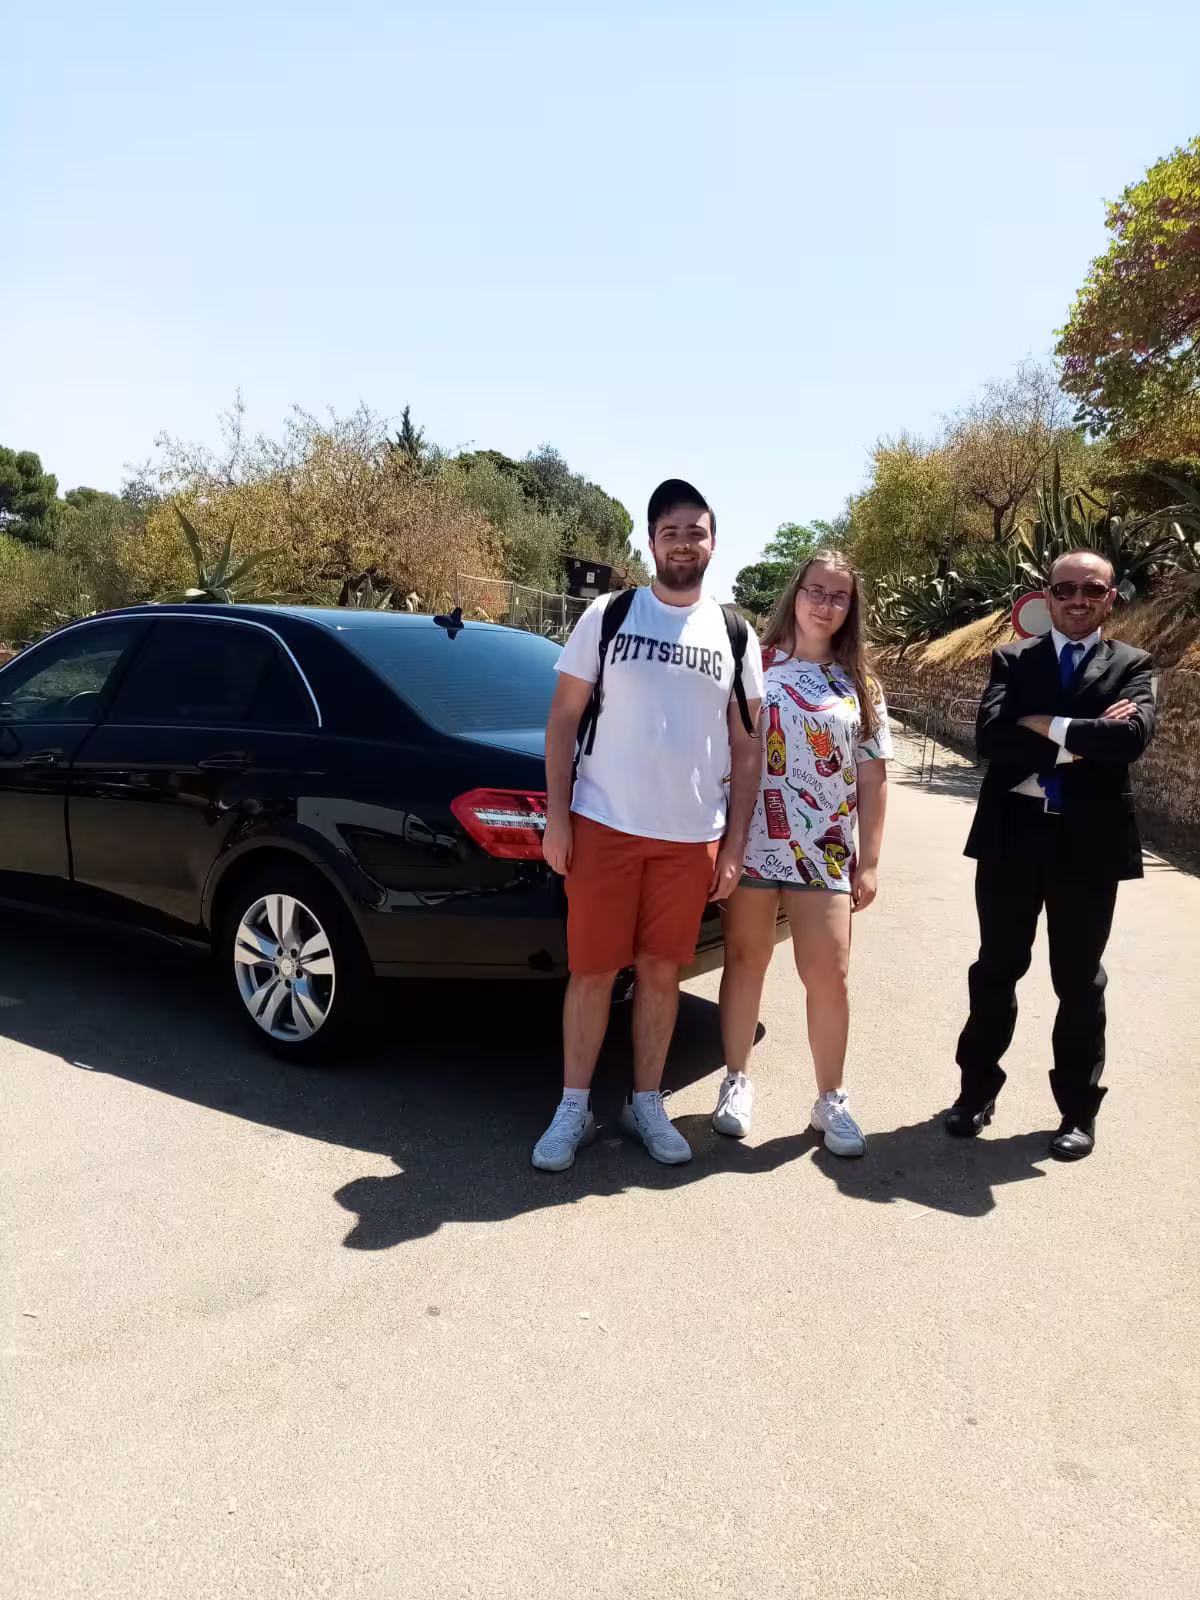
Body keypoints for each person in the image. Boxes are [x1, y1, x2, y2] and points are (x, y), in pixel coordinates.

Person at [532, 479, 764, 1171]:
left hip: (690, 838)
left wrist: (735, 842)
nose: (684, 543)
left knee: (664, 973)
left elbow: (748, 747)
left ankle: (646, 1101)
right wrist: (558, 820)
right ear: (653, 541)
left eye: (696, 531)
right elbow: (563, 719)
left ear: (713, 542)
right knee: (593, 972)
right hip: (603, 824)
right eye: (671, 531)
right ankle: (573, 1104)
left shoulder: (734, 633)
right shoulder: (608, 615)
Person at [949, 550, 1156, 1159]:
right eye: (1065, 589)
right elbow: (991, 738)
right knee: (996, 969)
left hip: (1089, 846)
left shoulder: (1134, 663)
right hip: (1012, 839)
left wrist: (1045, 725)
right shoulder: (1013, 658)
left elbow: (1131, 738)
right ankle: (974, 1092)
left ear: (1110, 598)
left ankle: (1077, 1111)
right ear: (1048, 595)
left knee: (1079, 982)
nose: (1077, 600)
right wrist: (1084, 739)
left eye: (1092, 590)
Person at [712, 551, 892, 1156]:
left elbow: (872, 777)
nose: (825, 604)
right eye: (817, 590)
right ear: (797, 593)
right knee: (745, 962)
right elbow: (729, 757)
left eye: (839, 596)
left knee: (831, 977)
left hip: (827, 853)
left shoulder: (861, 685)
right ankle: (736, 1081)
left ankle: (830, 1099)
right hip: (756, 843)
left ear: (850, 608)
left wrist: (869, 860)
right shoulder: (755, 666)